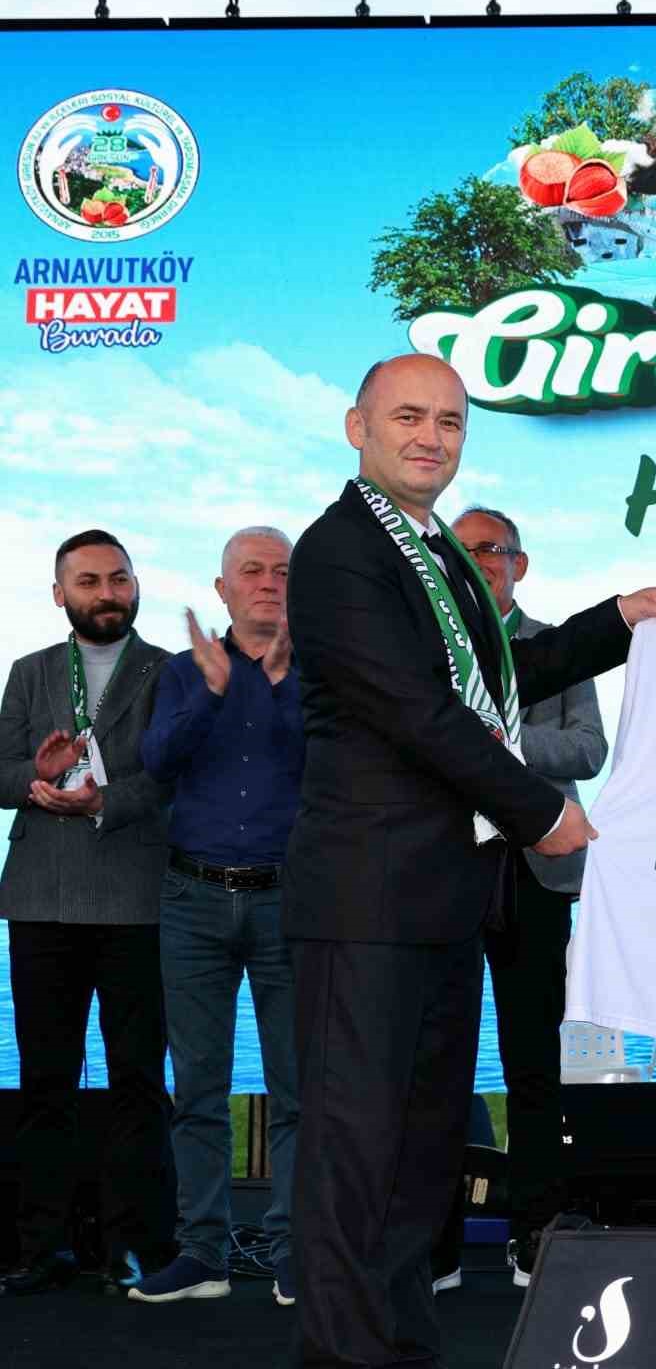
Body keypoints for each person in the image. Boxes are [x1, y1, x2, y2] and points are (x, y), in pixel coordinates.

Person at [285, 351, 656, 1368]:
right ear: (357, 427)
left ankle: (397, 1347)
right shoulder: (340, 551)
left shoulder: (440, 555)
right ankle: (344, 1355)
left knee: (418, 1154)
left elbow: (500, 685)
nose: (431, 437)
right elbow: (416, 712)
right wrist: (539, 811)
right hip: (367, 902)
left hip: (438, 898)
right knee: (357, 1153)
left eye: (451, 421)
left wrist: (617, 621)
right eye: (408, 417)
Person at [435, 504, 609, 1290]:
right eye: (463, 550)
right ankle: (433, 1245)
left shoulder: (559, 645)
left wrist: (506, 739)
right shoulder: (425, 647)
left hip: (537, 874)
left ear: (519, 563)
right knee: (436, 1062)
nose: (478, 561)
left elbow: (589, 748)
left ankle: (536, 1233)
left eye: (491, 549)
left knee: (532, 1062)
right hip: (444, 872)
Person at [131, 527, 303, 1306]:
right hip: (193, 900)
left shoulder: (324, 673)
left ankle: (293, 1249)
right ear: (222, 588)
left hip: (289, 899)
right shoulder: (180, 672)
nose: (268, 582)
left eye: (282, 571)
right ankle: (203, 1252)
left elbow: (332, 769)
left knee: (297, 1088)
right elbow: (158, 761)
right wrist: (213, 689)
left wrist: (280, 685)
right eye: (252, 571)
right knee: (197, 1087)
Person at [0, 530, 172, 1297]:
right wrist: (31, 777)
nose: (107, 592)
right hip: (42, 897)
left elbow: (177, 774)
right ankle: (41, 1246)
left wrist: (109, 799)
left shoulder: (169, 672)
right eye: (90, 581)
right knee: (45, 1079)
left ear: (135, 584)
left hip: (138, 896)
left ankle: (139, 1245)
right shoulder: (28, 671)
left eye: (119, 578)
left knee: (138, 1078)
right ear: (59, 593)